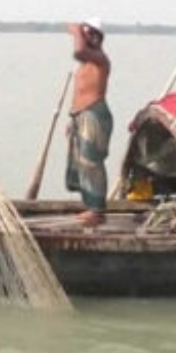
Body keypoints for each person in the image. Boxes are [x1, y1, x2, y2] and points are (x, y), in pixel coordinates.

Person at [65, 18, 113, 226]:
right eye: (87, 33)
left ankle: (97, 210)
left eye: (94, 34)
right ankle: (90, 207)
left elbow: (78, 52)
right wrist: (72, 117)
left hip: (94, 114)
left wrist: (76, 31)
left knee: (91, 162)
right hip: (81, 115)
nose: (89, 37)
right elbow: (79, 91)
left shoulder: (100, 59)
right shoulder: (84, 65)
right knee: (80, 164)